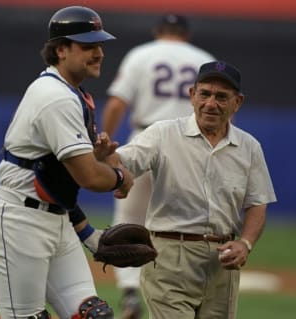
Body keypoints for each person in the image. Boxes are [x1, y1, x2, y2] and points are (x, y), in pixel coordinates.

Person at [0, 6, 134, 319]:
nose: (99, 53)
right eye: (88, 46)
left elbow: (57, 181)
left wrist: (87, 232)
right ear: (61, 50)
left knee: (94, 315)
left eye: (100, 46)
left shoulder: (72, 93)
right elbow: (89, 177)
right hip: (20, 223)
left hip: (56, 219)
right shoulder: (57, 97)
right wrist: (119, 178)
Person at [108, 60, 277, 319]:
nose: (211, 103)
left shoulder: (249, 147)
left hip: (223, 263)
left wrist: (245, 243)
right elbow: (121, 161)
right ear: (191, 95)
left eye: (221, 97)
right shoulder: (163, 133)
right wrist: (106, 163)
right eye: (205, 94)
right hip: (170, 256)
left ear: (237, 102)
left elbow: (257, 202)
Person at [101, 13, 216, 318]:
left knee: (129, 219)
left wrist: (104, 144)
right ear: (186, 34)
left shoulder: (141, 55)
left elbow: (116, 104)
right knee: (183, 226)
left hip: (147, 137)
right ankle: (184, 295)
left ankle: (129, 294)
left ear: (158, 31)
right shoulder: (204, 60)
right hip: (192, 145)